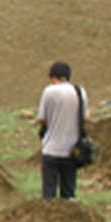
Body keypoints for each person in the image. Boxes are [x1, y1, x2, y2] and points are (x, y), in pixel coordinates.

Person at [35, 60, 86, 199]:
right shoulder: (80, 91)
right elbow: (85, 118)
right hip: (72, 150)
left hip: (51, 149)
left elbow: (42, 119)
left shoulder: (49, 91)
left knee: (49, 196)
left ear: (53, 77)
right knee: (69, 194)